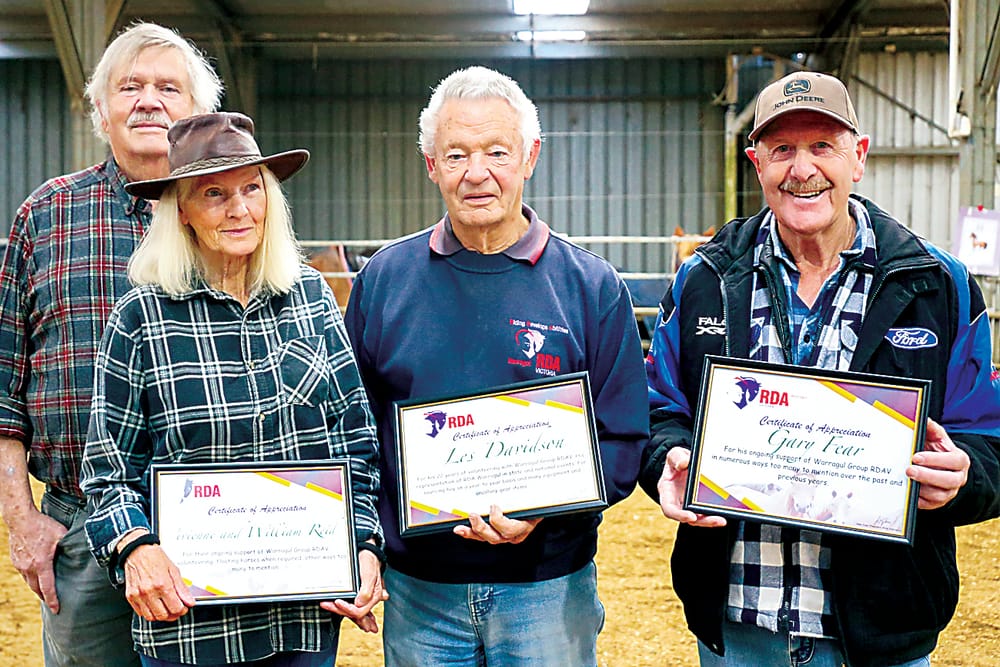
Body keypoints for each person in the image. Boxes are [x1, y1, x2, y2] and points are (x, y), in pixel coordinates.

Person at [641, 70, 1000, 667]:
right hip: (739, 630)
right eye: (782, 149)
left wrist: (964, 477)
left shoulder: (939, 285)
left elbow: (989, 441)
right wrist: (669, 459)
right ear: (757, 163)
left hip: (882, 633)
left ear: (857, 157)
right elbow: (660, 409)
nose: (801, 168)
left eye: (821, 146)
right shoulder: (704, 280)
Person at [343, 65, 649, 666]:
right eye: (455, 154)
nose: (476, 173)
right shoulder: (383, 281)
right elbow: (356, 427)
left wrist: (546, 510)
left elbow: (622, 439)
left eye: (496, 152)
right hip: (420, 591)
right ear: (431, 166)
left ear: (530, 156)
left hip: (548, 588)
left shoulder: (591, 287)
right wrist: (365, 540)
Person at [79, 111, 386, 666]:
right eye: (214, 194)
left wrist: (363, 546)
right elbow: (107, 472)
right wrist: (135, 547)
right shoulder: (141, 316)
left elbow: (356, 445)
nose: (239, 208)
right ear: (182, 213)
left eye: (252, 188)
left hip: (302, 619)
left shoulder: (313, 299)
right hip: (189, 632)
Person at [0, 22, 223, 667]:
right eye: (129, 86)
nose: (148, 100)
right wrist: (22, 521)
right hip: (79, 528)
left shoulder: (233, 212)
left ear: (197, 111)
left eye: (167, 87)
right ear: (100, 107)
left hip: (213, 525)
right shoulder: (45, 216)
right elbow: (2, 384)